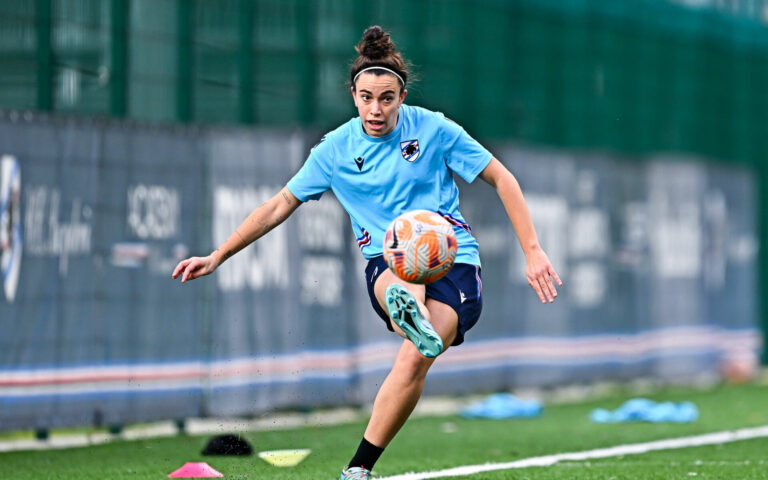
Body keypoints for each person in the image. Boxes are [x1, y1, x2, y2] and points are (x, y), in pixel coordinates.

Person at [172, 26, 562, 480]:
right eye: (366, 98)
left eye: (386, 98)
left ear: (402, 96)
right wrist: (220, 254)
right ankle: (361, 461)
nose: (375, 109)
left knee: (417, 355)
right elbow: (279, 204)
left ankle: (409, 333)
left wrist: (532, 250)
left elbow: (502, 178)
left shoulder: (434, 128)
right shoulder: (335, 150)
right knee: (410, 321)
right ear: (353, 95)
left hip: (455, 260)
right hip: (387, 261)